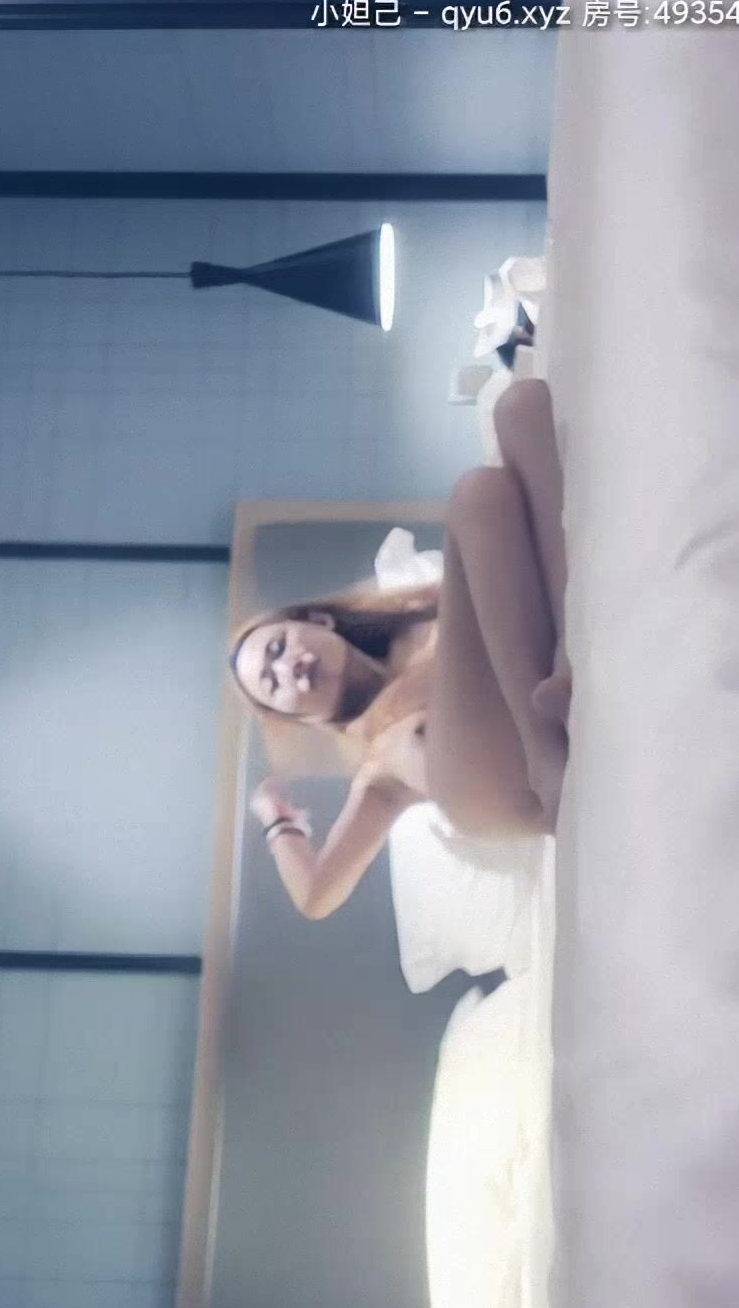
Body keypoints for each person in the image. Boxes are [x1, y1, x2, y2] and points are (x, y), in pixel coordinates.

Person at [230, 377, 572, 922]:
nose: (287, 669)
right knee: (473, 495)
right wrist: (276, 819)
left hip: (539, 666)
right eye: (273, 685)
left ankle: (568, 662)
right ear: (295, 716)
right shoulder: (377, 768)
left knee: (520, 407)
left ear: (315, 621)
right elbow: (316, 898)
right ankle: (547, 749)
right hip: (506, 779)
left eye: (277, 648)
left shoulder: (421, 617)